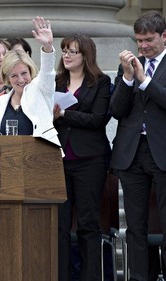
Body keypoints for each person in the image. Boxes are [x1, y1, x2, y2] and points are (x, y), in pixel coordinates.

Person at [110, 10, 166, 281]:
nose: (143, 46)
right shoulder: (130, 67)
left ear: (164, 36)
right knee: (135, 226)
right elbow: (117, 110)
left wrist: (144, 81)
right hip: (132, 153)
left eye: (149, 40)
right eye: (139, 41)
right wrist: (128, 77)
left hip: (163, 152)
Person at [52, 33, 111, 281]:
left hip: (90, 161)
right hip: (58, 160)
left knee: (88, 224)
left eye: (72, 51)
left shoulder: (101, 82)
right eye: (64, 50)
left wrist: (64, 114)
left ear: (85, 55)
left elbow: (99, 120)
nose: (66, 55)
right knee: (59, 226)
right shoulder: (55, 81)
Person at [0, 17, 59, 146]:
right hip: (9, 161)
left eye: (24, 73)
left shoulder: (41, 90)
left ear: (30, 71)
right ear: (7, 78)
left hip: (40, 159)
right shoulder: (0, 102)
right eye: (14, 76)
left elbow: (47, 73)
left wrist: (47, 47)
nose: (21, 80)